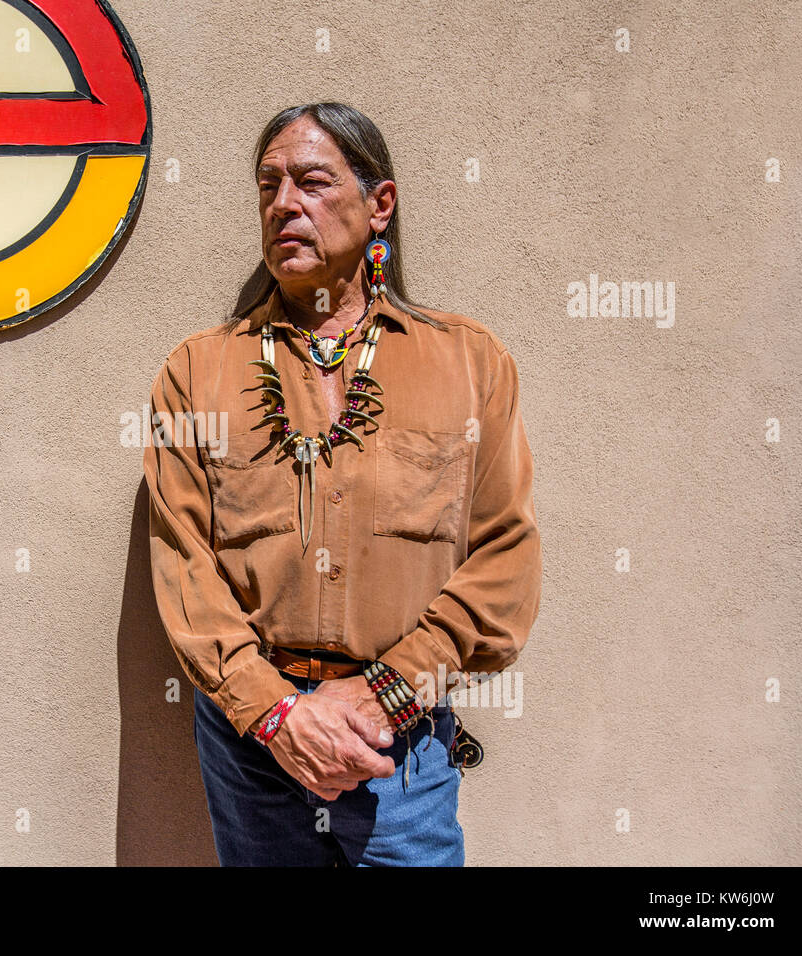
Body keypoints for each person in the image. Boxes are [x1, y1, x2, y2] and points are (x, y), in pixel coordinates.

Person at [142, 102, 543, 866]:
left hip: (400, 746)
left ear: (379, 205)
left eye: (312, 182)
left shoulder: (469, 364)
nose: (284, 203)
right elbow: (183, 563)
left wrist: (384, 693)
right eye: (268, 185)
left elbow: (506, 560)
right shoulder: (197, 373)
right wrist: (275, 714)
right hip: (251, 744)